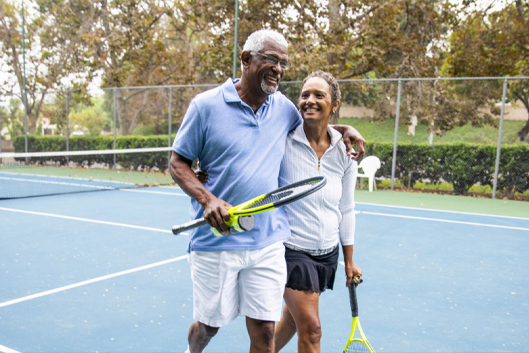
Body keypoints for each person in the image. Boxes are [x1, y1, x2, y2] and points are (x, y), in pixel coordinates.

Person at [170, 29, 365, 353]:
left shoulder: (283, 109)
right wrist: (208, 199)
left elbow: (315, 124)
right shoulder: (205, 106)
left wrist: (344, 129)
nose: (278, 69)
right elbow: (178, 163)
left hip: (268, 241)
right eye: (271, 60)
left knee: (264, 332)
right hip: (216, 240)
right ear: (246, 59)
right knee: (209, 326)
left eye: (283, 63)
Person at [273, 71, 362, 353]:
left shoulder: (345, 152)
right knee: (312, 329)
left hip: (326, 253)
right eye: (304, 95)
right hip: (291, 249)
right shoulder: (283, 140)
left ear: (334, 104)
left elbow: (346, 208)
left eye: (319, 95)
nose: (309, 100)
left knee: (292, 320)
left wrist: (348, 260)